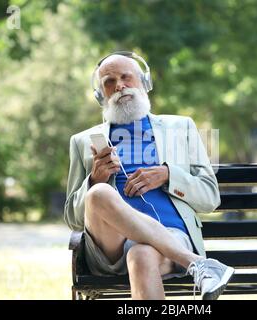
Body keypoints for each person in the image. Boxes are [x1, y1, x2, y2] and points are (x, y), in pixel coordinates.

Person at [64, 51, 234, 300]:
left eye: (126, 77)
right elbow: (72, 218)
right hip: (110, 247)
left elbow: (210, 197)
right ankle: (198, 264)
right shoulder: (82, 141)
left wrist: (168, 175)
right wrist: (94, 180)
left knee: (141, 255)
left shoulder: (180, 127)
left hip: (171, 238)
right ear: (101, 95)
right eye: (109, 82)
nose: (119, 85)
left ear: (144, 82)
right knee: (99, 193)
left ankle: (195, 263)